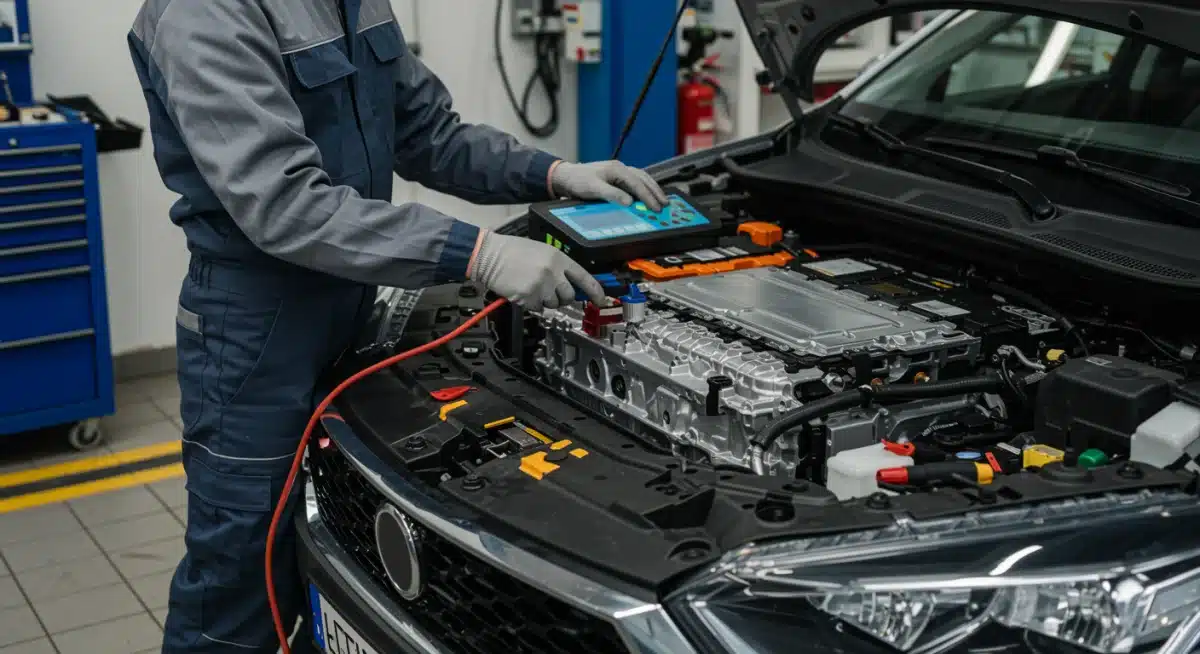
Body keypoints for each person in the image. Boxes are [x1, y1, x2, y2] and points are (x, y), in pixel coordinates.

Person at [128, 1, 667, 651]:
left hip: (353, 301)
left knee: (330, 543)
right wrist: (479, 253)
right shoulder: (202, 11)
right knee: (241, 570)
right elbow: (282, 205)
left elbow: (429, 136)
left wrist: (552, 173)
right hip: (254, 330)